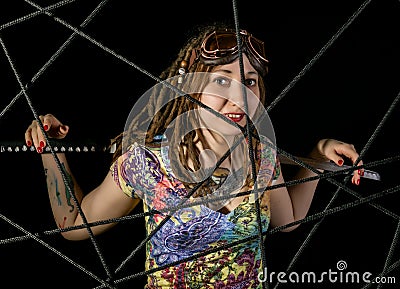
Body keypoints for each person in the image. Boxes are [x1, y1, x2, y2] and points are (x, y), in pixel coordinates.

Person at [24, 23, 364, 289]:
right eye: (221, 79)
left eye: (250, 81)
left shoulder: (261, 154)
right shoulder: (149, 163)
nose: (240, 96)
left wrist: (317, 156)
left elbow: (287, 221)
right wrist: (51, 153)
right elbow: (74, 226)